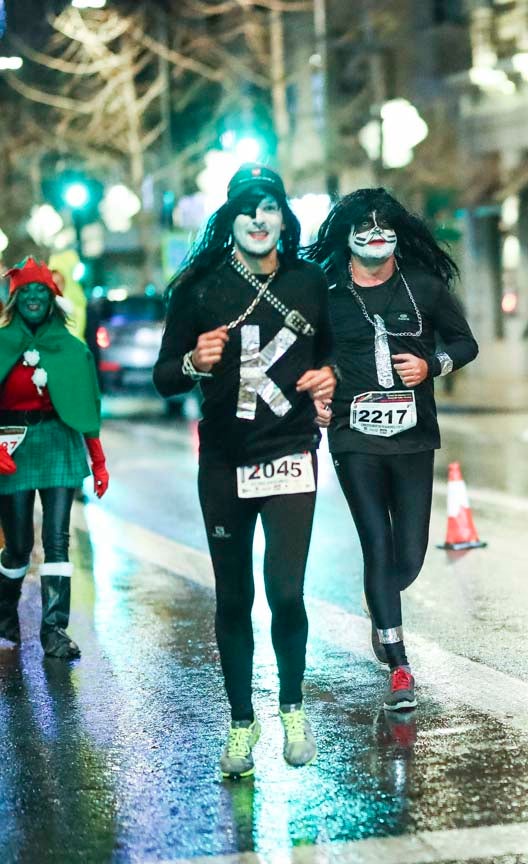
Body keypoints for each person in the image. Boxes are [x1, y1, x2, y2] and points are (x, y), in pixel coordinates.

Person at [153, 164, 335, 778]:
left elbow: (337, 352)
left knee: (286, 592)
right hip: (226, 461)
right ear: (229, 218)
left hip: (290, 453)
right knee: (234, 597)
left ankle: (291, 707)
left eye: (271, 208)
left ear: (284, 218)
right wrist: (193, 359)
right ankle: (240, 722)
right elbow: (162, 377)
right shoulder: (199, 286)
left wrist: (330, 375)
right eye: (247, 208)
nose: (260, 219)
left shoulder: (311, 282)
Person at [304, 188, 478, 711]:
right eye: (366, 230)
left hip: (412, 434)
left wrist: (433, 366)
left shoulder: (424, 286)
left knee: (409, 554)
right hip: (353, 436)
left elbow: (465, 343)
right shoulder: (329, 292)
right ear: (348, 239)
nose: (376, 237)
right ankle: (398, 657)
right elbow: (308, 357)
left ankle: (381, 599)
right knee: (376, 542)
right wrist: (318, 392)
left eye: (386, 228)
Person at [0, 257, 109, 660]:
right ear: (14, 300)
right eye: (25, 292)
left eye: (40, 292)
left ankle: (54, 631)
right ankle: (3, 612)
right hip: (11, 444)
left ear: (52, 299)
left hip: (60, 442)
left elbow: (87, 406)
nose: (32, 298)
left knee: (58, 541)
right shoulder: (0, 341)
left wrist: (98, 461)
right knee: (17, 548)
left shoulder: (71, 348)